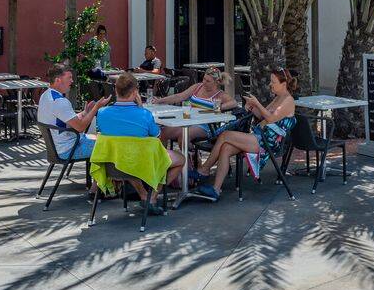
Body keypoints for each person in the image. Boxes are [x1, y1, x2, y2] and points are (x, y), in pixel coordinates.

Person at [193, 68, 297, 200]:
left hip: (267, 142)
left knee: (225, 135)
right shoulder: (278, 98)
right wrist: (252, 107)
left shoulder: (288, 100)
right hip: (260, 137)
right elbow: (262, 116)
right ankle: (216, 189)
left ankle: (204, 169)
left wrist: (258, 103)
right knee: (226, 148)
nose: (270, 84)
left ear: (283, 84)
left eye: (273, 82)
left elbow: (270, 118)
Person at [95, 72, 185, 215]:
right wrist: (141, 108)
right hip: (139, 163)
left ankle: (143, 194)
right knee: (181, 159)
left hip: (112, 163)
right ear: (135, 92)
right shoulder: (144, 115)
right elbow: (157, 135)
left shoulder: (102, 113)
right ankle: (152, 197)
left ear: (116, 90)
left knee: (127, 158)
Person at [151, 67, 237, 148]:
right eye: (204, 79)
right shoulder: (198, 87)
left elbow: (234, 103)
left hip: (205, 125)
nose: (204, 82)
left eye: (208, 81)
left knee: (183, 136)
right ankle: (163, 160)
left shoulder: (220, 95)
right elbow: (179, 96)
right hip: (188, 120)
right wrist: (160, 100)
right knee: (162, 133)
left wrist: (219, 107)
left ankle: (191, 160)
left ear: (216, 82)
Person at [36, 64, 104, 160]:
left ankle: (97, 174)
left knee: (99, 138)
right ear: (58, 80)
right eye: (69, 77)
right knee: (109, 145)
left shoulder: (46, 95)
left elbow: (68, 119)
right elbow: (80, 127)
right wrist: (96, 108)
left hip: (59, 147)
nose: (72, 81)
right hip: (69, 149)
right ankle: (111, 175)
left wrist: (85, 112)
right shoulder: (60, 101)